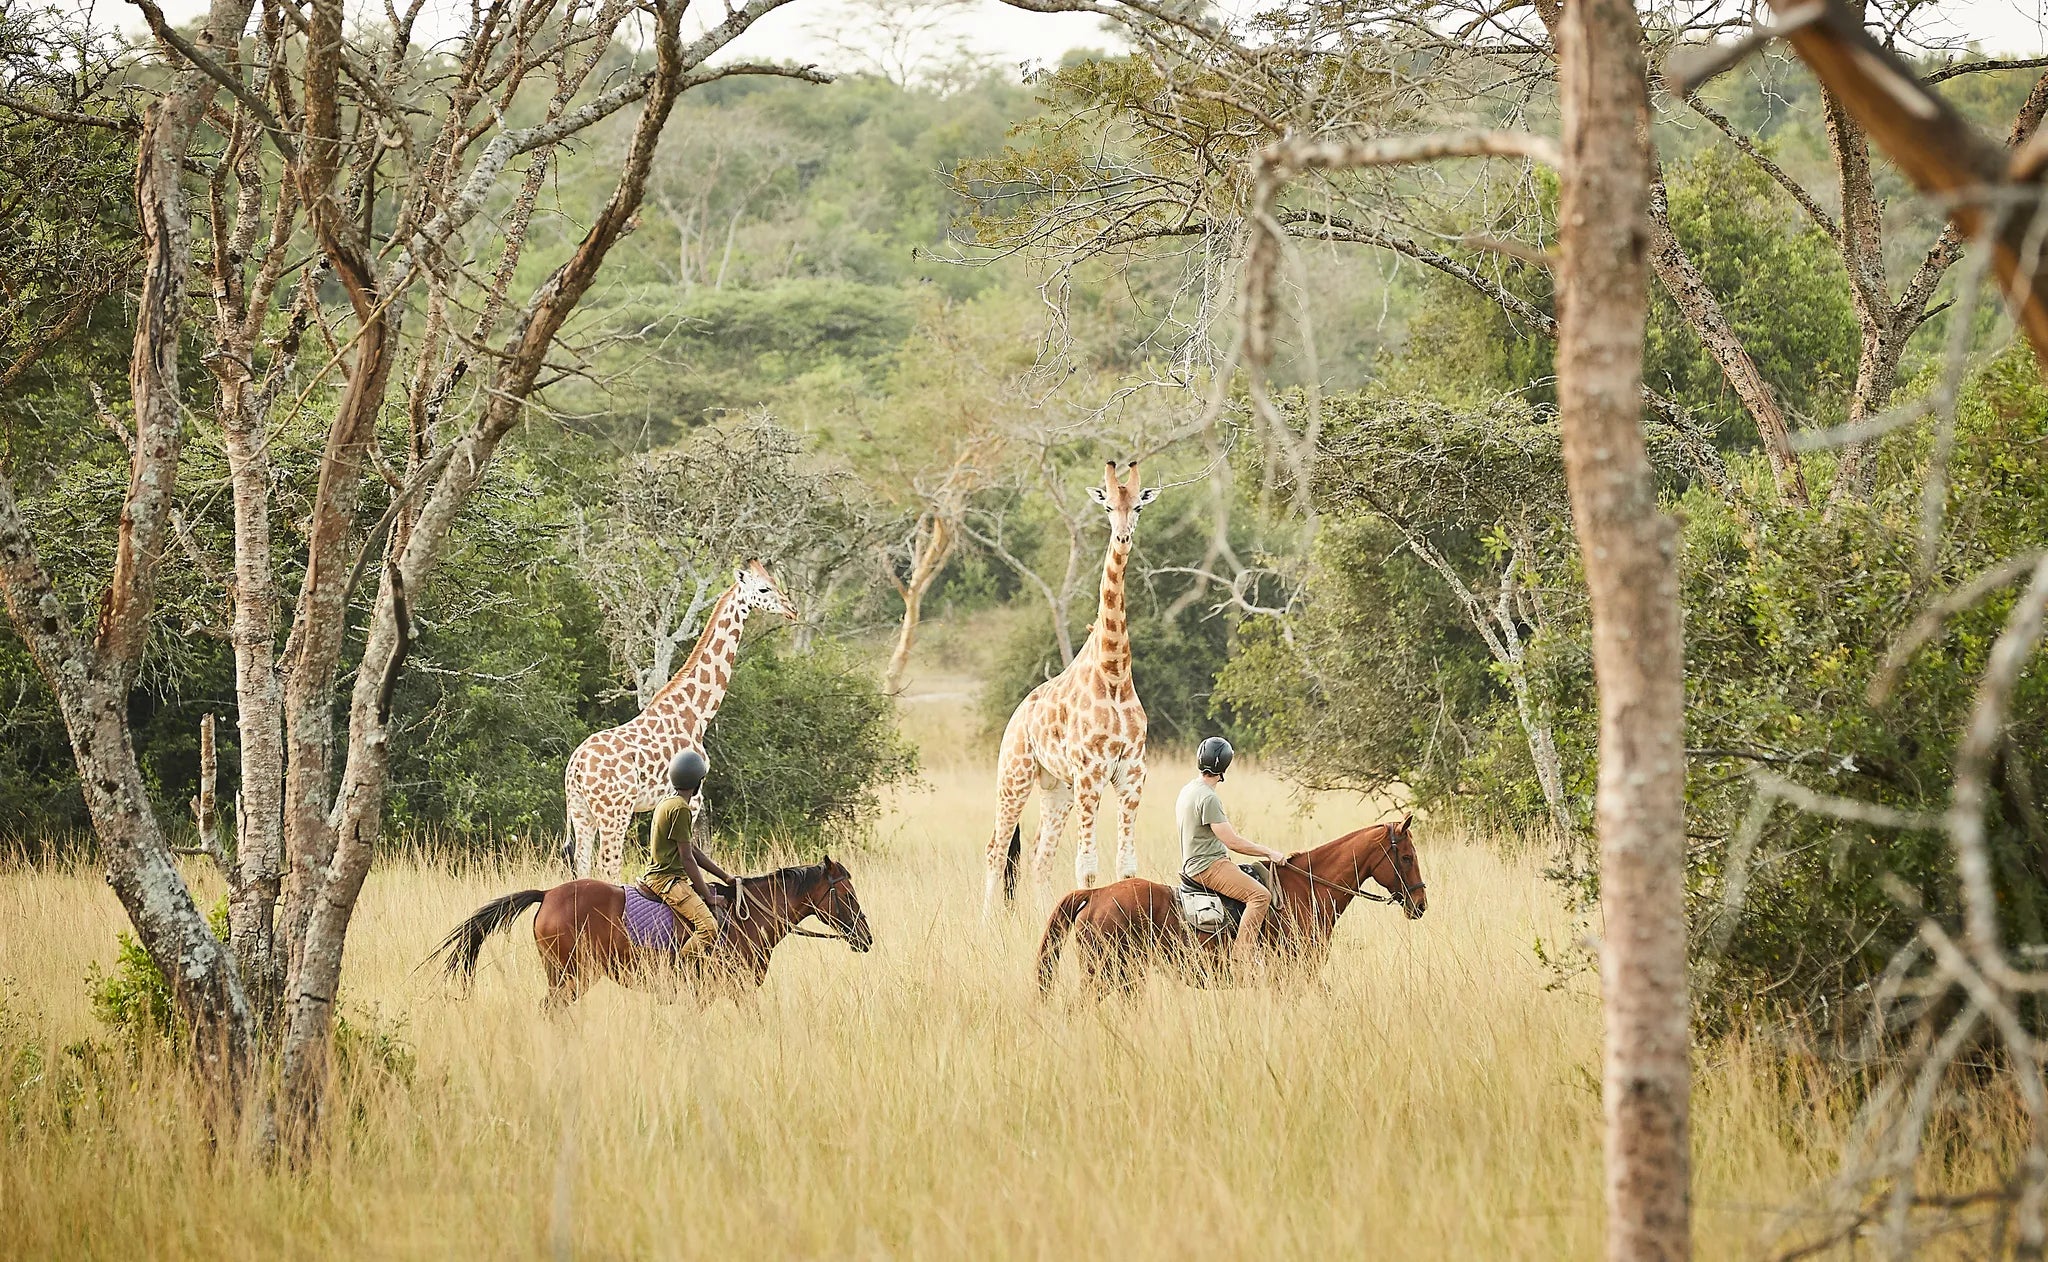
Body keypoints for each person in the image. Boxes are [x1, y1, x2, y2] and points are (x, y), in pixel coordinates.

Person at [1178, 736, 1287, 969]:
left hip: (1193, 863)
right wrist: (1269, 853)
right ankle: (1243, 955)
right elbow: (1232, 842)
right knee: (1260, 896)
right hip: (1209, 866)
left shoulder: (1189, 789)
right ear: (1225, 765)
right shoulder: (1209, 798)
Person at [641, 750, 738, 960]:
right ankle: (679, 971)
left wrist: (725, 877)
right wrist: (709, 896)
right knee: (708, 927)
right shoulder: (681, 809)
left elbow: (692, 849)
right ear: (697, 783)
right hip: (668, 882)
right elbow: (687, 859)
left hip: (660, 877)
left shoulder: (667, 802)